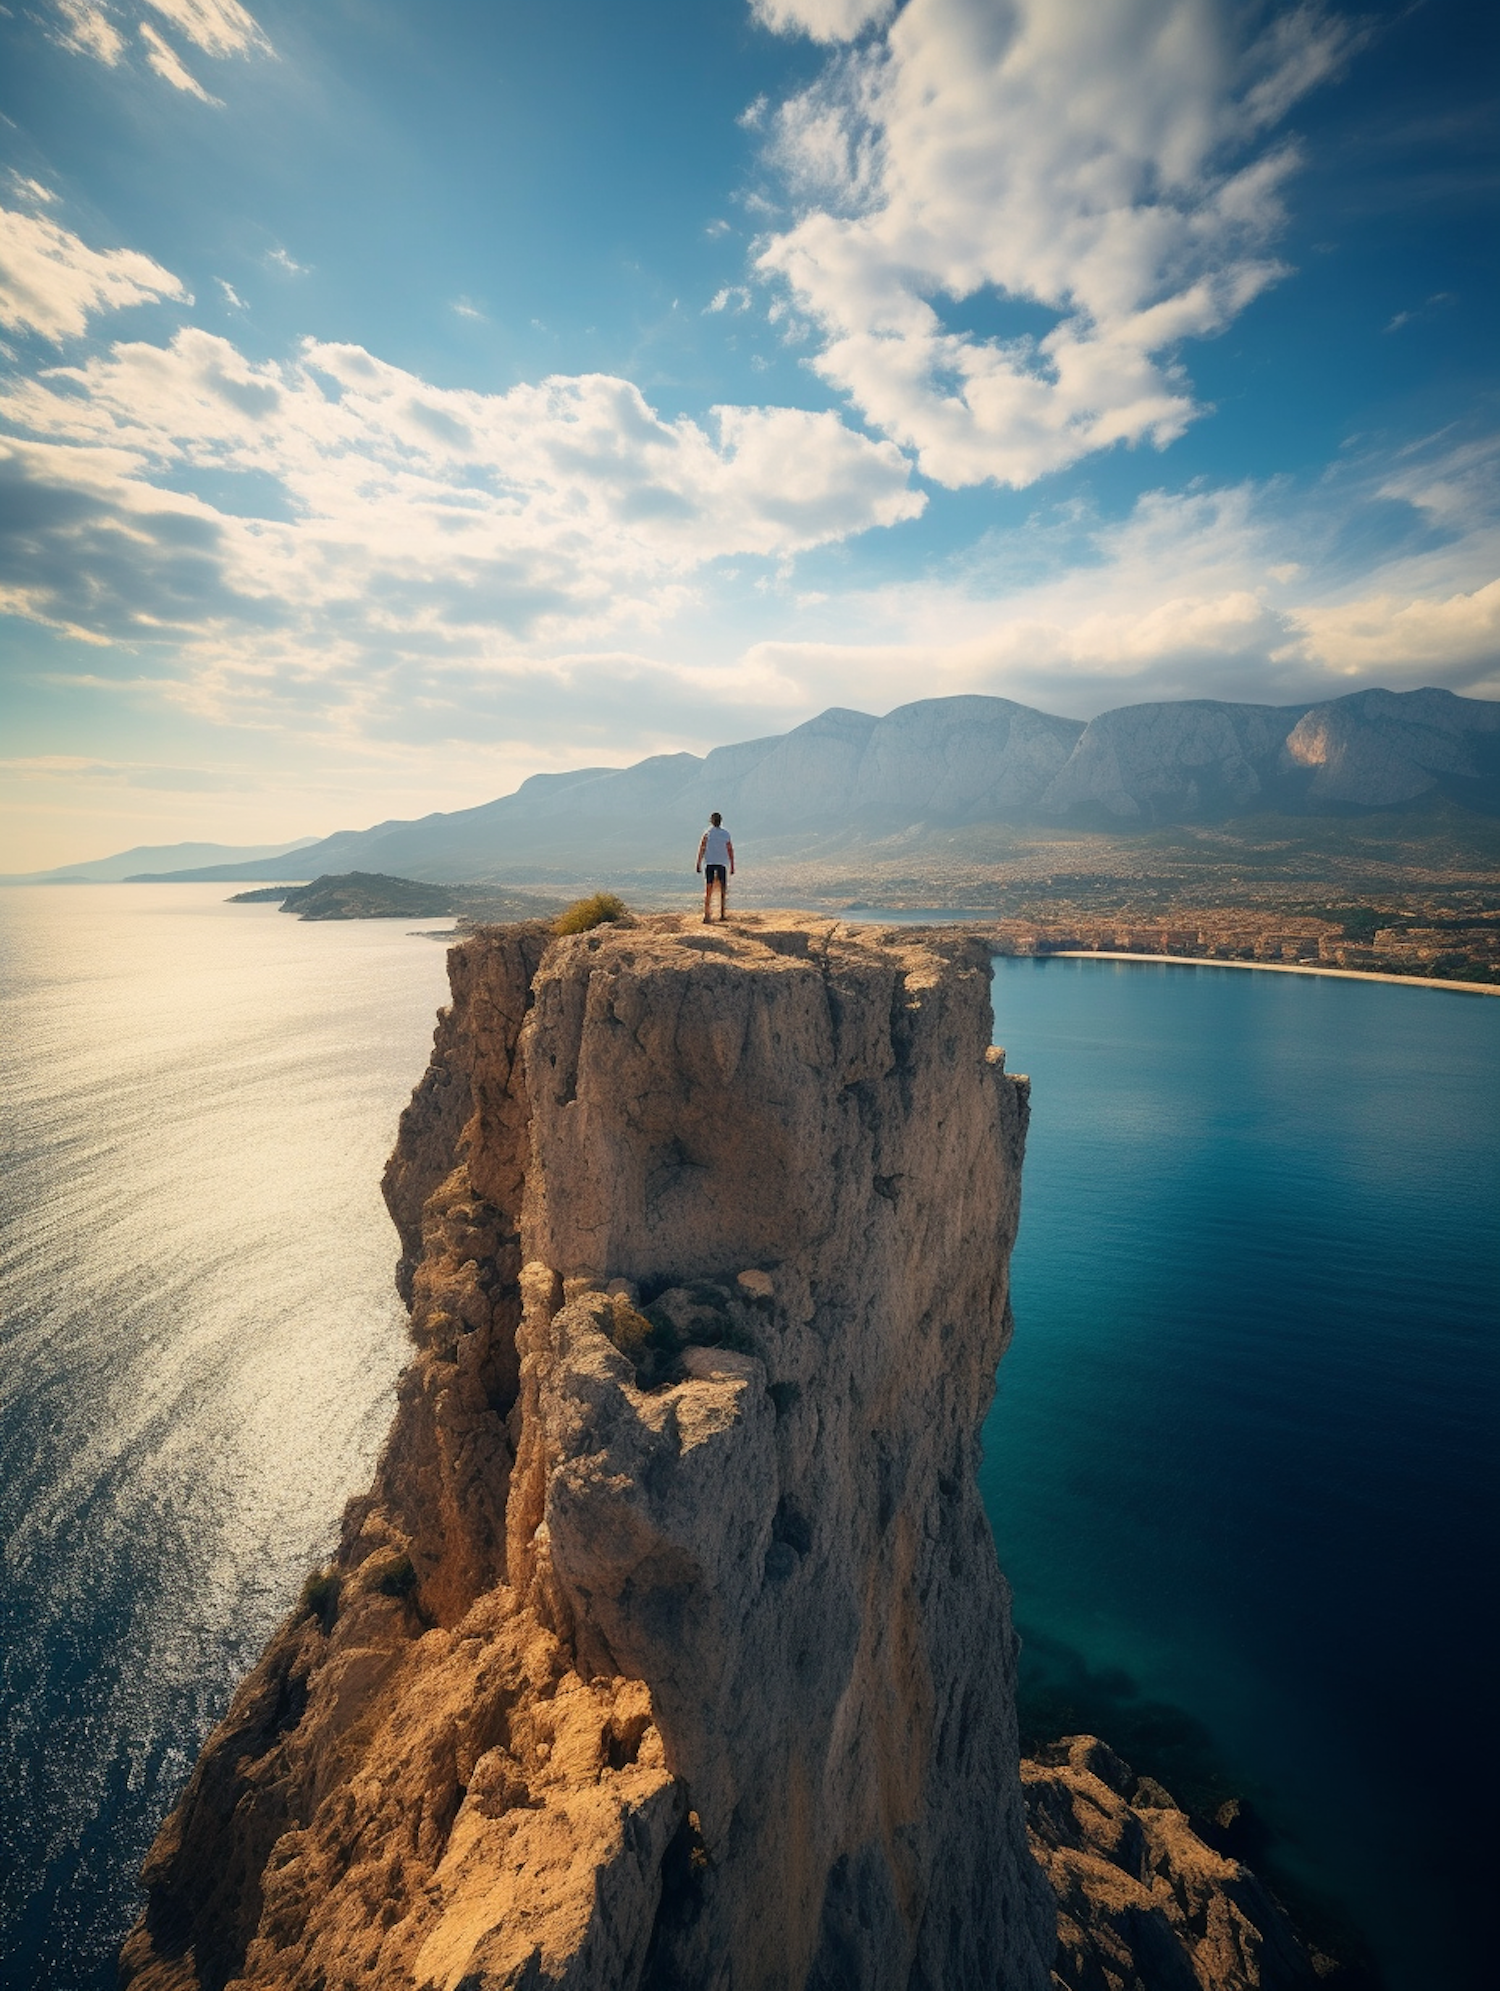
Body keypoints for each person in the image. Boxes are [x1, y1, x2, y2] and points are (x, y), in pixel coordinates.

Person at [695, 812, 734, 922]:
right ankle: (722, 914)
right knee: (722, 889)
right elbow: (730, 850)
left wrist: (698, 863)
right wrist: (732, 865)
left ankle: (707, 915)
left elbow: (701, 849)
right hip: (721, 864)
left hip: (710, 864)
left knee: (709, 889)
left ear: (711, 821)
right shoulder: (725, 834)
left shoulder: (707, 834)